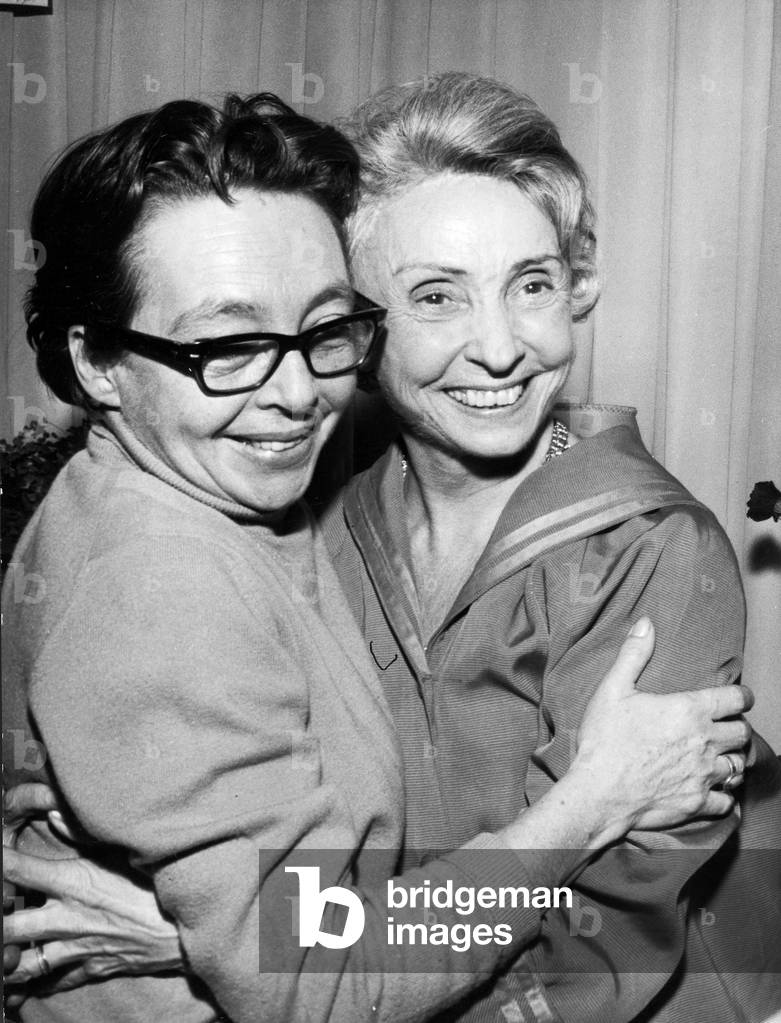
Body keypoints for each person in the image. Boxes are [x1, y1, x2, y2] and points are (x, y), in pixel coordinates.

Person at [1, 83, 766, 1023]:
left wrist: (215, 944)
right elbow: (306, 936)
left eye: (531, 284)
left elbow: (598, 945)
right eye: (435, 296)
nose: (498, 347)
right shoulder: (310, 517)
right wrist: (234, 944)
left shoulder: (646, 549)